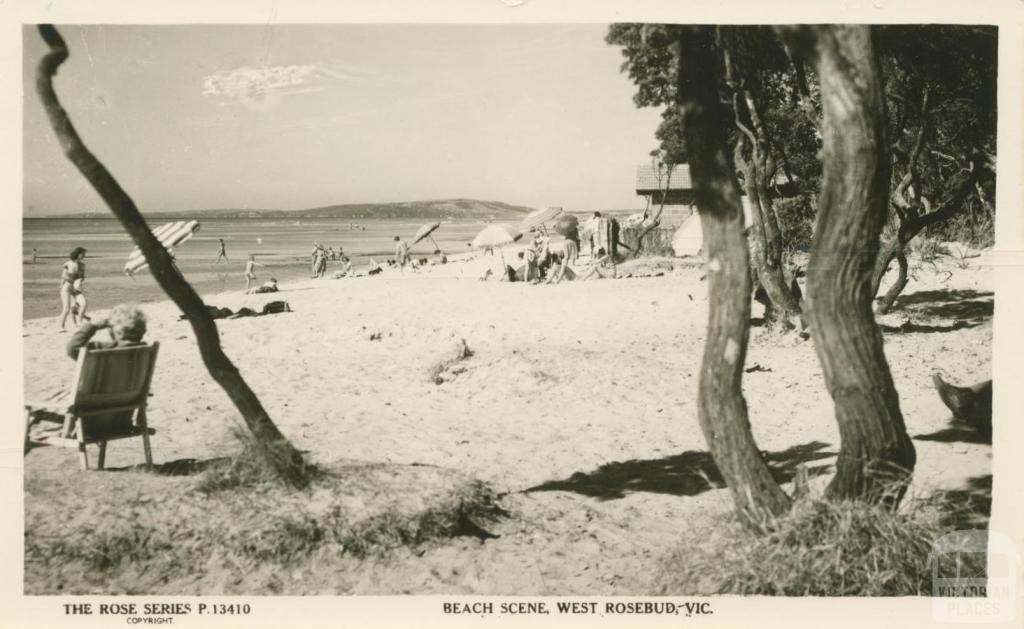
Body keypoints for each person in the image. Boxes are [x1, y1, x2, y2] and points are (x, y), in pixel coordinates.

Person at [66, 303, 147, 360]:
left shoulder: (106, 349)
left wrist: (92, 326)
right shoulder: (145, 350)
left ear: (119, 333)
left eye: (111, 327)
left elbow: (72, 348)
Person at [59, 247, 88, 331]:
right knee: (66, 308)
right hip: (67, 287)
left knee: (83, 303)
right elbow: (63, 276)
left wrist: (80, 280)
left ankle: (79, 322)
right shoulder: (68, 263)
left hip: (76, 287)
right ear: (78, 254)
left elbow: (82, 277)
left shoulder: (83, 265)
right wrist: (70, 281)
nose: (84, 256)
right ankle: (61, 326)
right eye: (83, 254)